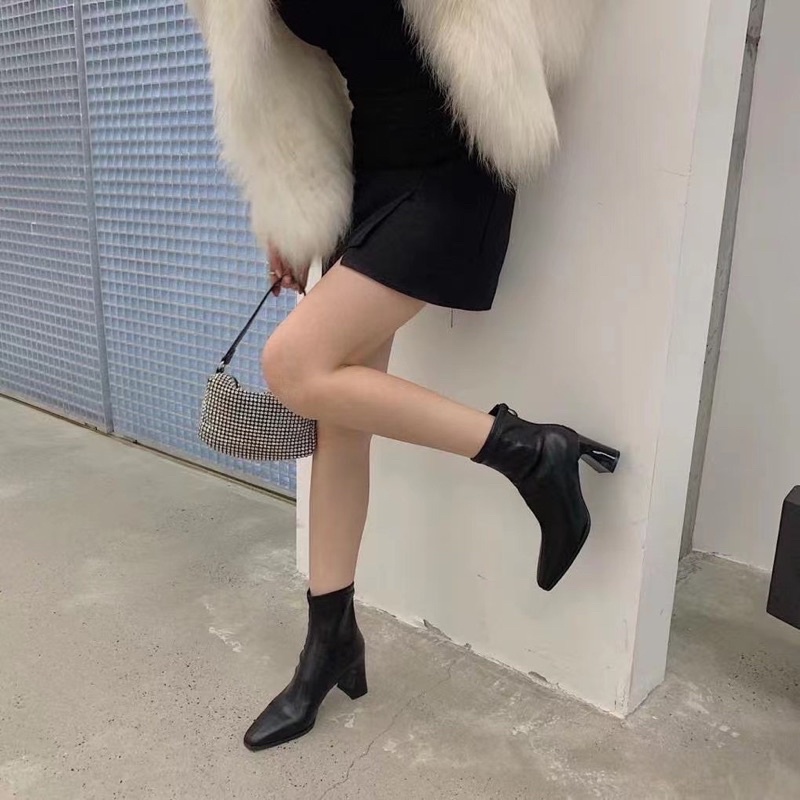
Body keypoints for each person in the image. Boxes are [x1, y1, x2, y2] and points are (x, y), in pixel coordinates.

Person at [188, 0, 618, 752]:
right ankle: (330, 644)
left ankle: (527, 452)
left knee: (294, 364)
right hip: (364, 173)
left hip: (457, 164)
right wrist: (288, 206)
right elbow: (280, 83)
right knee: (338, 424)